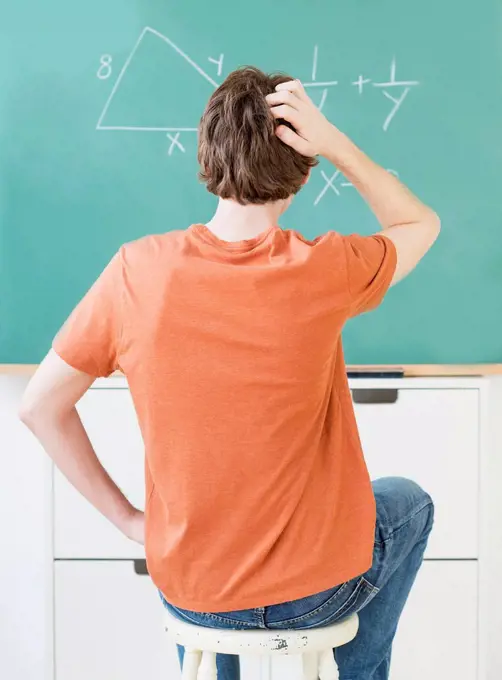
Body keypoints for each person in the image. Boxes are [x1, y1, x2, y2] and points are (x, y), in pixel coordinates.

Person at [20, 67, 439, 680]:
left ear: (208, 155)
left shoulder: (136, 274)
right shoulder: (325, 269)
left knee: (219, 611)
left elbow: (39, 406)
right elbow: (418, 225)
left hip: (194, 592)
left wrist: (129, 521)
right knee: (410, 503)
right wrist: (334, 142)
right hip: (317, 593)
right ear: (300, 167)